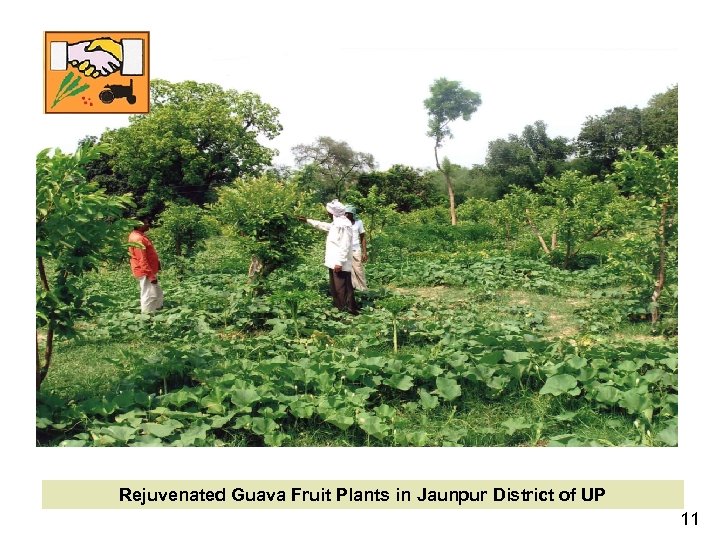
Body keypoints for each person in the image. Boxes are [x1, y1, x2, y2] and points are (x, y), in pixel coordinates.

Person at [298, 200, 358, 314]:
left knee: (341, 287)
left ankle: (346, 311)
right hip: (334, 261)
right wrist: (307, 220)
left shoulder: (344, 226)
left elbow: (345, 245)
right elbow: (323, 225)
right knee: (337, 287)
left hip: (339, 263)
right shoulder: (337, 224)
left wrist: (339, 262)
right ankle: (344, 309)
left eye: (329, 212)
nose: (327, 214)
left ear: (333, 213)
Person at [128, 217, 164, 314]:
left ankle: (158, 312)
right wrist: (151, 276)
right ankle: (147, 317)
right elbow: (142, 259)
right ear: (139, 224)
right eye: (146, 222)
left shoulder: (138, 235)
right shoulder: (137, 238)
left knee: (157, 292)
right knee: (148, 295)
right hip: (145, 271)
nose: (148, 224)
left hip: (149, 270)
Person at [343, 204, 368, 291]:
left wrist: (364, 252)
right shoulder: (343, 223)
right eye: (345, 213)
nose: (346, 215)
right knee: (349, 271)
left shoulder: (358, 223)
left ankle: (363, 290)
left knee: (359, 270)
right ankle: (353, 289)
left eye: (348, 213)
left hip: (355, 250)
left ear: (352, 214)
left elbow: (363, 237)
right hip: (346, 251)